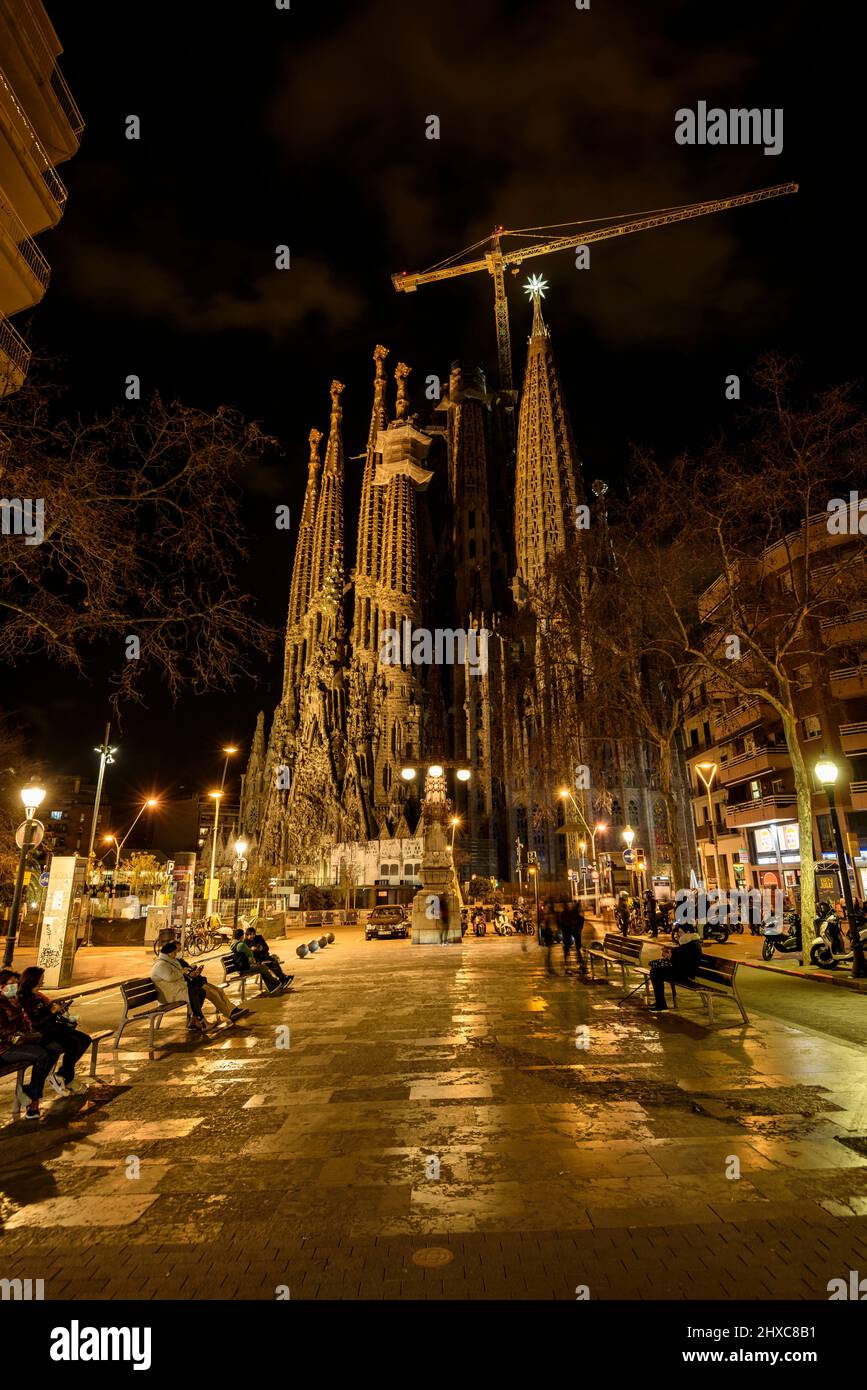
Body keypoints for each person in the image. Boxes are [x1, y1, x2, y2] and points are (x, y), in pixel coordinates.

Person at [18, 966, 92, 1096]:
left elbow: (46, 1012)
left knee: (85, 1039)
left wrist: (60, 1012)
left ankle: (63, 1075)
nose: (42, 983)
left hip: (52, 1029)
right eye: (41, 980)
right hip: (42, 1034)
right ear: (32, 980)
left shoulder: (38, 996)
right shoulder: (24, 998)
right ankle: (63, 1078)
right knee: (72, 1043)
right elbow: (35, 1023)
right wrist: (51, 1012)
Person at [0, 968, 62, 1119]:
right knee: (42, 1055)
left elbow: (28, 1024)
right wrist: (19, 1022)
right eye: (11, 984)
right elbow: (2, 1031)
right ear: (1, 986)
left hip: (20, 1042)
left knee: (54, 1048)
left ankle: (31, 1093)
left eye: (17, 983)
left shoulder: (15, 1001)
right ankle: (32, 1100)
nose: (15, 987)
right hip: (4, 1048)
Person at [647, 924, 702, 1011]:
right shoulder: (690, 942)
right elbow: (680, 957)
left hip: (685, 974)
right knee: (656, 971)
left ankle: (661, 1004)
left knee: (656, 972)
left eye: (680, 932)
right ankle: (660, 1003)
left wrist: (670, 956)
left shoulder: (691, 944)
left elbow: (683, 961)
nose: (679, 934)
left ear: (688, 932)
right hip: (682, 971)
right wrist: (670, 955)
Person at [231, 928, 284, 994]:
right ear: (242, 936)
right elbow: (250, 953)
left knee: (262, 968)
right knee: (263, 968)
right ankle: (276, 983)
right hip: (244, 968)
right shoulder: (241, 944)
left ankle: (273, 987)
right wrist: (252, 950)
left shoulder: (233, 944)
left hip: (241, 967)